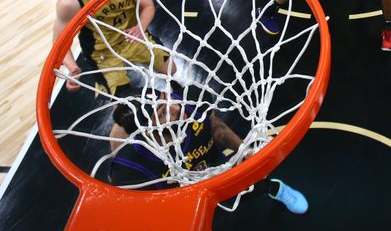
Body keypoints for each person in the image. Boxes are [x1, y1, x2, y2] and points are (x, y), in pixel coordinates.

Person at [109, 89, 309, 214]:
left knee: (250, 186)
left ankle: (275, 188)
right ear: (147, 132)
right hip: (188, 198)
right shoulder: (132, 168)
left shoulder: (190, 102)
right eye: (163, 112)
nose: (175, 107)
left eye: (166, 98)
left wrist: (245, 150)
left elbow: (216, 127)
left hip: (214, 165)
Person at [52, 0, 175, 95]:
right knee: (123, 102)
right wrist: (72, 68)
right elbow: (59, 43)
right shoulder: (70, 2)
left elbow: (148, 6)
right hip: (104, 52)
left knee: (171, 70)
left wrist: (140, 27)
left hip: (133, 36)